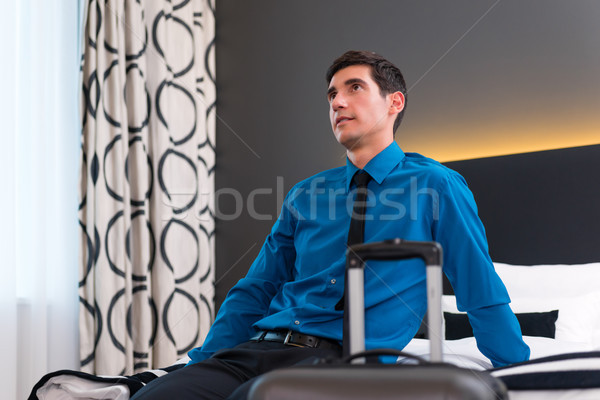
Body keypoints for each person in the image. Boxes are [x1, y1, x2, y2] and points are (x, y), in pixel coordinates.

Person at [132, 50, 530, 400]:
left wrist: (516, 370)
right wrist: (202, 362)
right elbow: (257, 288)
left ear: (395, 102)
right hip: (258, 349)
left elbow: (478, 285)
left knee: (261, 397)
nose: (338, 101)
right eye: (332, 94)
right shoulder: (306, 194)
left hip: (342, 360)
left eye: (354, 88)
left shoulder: (435, 184)